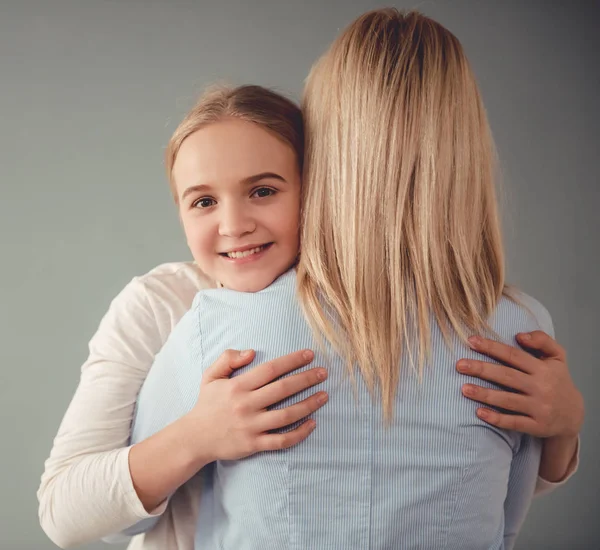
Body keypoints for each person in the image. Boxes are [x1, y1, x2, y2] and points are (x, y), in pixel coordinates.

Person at [37, 15, 583, 550]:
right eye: (203, 200)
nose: (234, 225)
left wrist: (562, 429)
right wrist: (196, 436)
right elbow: (67, 514)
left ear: (320, 178)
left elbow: (458, 474)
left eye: (264, 190)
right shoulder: (168, 307)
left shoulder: (460, 323)